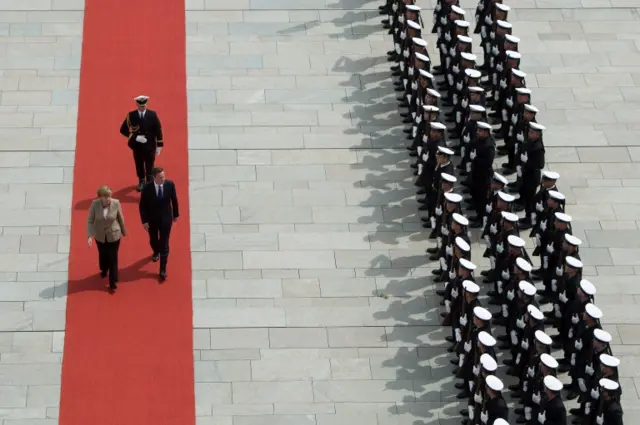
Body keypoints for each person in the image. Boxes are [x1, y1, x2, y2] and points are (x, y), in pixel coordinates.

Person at [139, 167, 179, 281]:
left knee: (164, 243)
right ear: (154, 177)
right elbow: (142, 206)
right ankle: (156, 251)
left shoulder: (169, 185)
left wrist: (176, 214)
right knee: (153, 240)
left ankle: (162, 269)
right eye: (160, 177)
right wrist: (144, 221)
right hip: (152, 220)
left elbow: (174, 200)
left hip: (166, 219)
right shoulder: (147, 188)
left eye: (164, 176)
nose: (163, 179)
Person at [119, 95, 164, 191]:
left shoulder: (152, 115)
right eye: (140, 106)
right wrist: (135, 137)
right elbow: (123, 130)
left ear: (147, 105)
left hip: (150, 145)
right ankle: (141, 180)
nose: (142, 108)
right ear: (136, 105)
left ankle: (150, 182)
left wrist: (159, 144)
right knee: (139, 164)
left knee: (149, 164)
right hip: (137, 145)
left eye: (144, 106)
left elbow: (158, 130)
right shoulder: (131, 116)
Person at [87, 185, 126, 291]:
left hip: (114, 235)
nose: (109, 198)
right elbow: (90, 221)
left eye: (110, 196)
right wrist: (90, 235)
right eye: (106, 197)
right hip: (99, 235)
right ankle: (104, 269)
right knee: (103, 255)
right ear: (101, 197)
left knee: (113, 258)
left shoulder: (116, 203)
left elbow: (120, 218)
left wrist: (123, 231)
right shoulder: (94, 205)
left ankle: (113, 281)